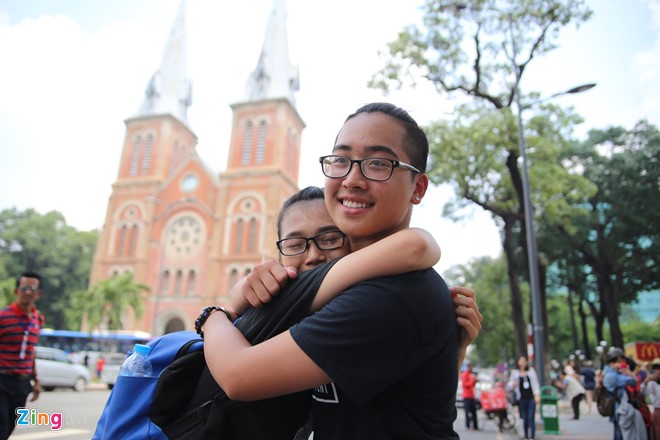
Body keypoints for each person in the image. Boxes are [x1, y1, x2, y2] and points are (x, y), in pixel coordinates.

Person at [203, 102, 465, 438]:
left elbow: (238, 377)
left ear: (417, 188)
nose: (352, 179)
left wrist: (212, 316)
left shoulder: (392, 295)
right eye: (341, 160)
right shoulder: (351, 281)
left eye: (378, 163)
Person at [0, 271, 44, 440]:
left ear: (38, 294)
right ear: (16, 291)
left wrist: (36, 379)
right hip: (2, 379)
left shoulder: (38, 319)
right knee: (1, 425)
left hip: (22, 383)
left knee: (12, 423)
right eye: (24, 288)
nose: (28, 292)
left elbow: (31, 351)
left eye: (32, 288)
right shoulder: (3, 316)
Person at [603, 347, 640, 440]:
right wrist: (628, 372)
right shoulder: (613, 375)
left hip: (617, 409)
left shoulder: (608, 372)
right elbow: (633, 382)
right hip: (619, 410)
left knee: (618, 432)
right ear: (619, 359)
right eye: (623, 359)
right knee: (621, 434)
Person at [508, 355, 540, 440]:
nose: (522, 363)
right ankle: (526, 435)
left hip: (531, 398)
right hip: (521, 398)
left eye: (524, 361)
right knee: (524, 418)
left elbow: (535, 384)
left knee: (531, 417)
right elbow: (510, 385)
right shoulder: (515, 373)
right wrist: (513, 384)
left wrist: (537, 395)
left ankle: (532, 436)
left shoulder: (531, 371)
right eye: (520, 361)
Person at [641, 359, 660, 440]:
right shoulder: (653, 383)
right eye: (656, 368)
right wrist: (646, 381)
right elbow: (644, 393)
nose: (658, 371)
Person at [461, 362, 479, 431]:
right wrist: (472, 380)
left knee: (474, 412)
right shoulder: (464, 374)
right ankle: (467, 425)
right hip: (466, 396)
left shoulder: (471, 375)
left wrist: (475, 381)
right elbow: (466, 385)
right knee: (467, 411)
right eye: (471, 367)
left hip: (472, 395)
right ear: (468, 367)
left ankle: (475, 426)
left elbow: (473, 385)